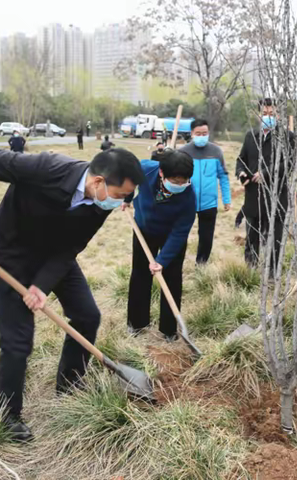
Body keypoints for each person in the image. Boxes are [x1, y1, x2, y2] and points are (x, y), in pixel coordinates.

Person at [0, 148, 144, 441]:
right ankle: (8, 414)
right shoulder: (47, 167)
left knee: (87, 315)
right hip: (10, 255)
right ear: (98, 181)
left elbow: (70, 248)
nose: (122, 203)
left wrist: (41, 285)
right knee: (18, 341)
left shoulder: (97, 204)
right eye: (121, 195)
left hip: (54, 254)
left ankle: (70, 386)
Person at [124, 149, 196, 340]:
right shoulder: (146, 169)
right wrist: (127, 198)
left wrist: (162, 260)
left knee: (171, 278)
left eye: (184, 181)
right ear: (162, 173)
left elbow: (180, 232)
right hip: (143, 229)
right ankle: (137, 324)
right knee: (140, 274)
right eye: (175, 181)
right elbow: (130, 178)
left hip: (171, 235)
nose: (180, 185)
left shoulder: (189, 197)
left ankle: (169, 330)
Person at [236, 98, 295, 270]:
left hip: (276, 195)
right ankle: (251, 268)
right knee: (252, 234)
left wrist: (266, 174)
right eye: (264, 114)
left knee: (274, 237)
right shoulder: (251, 136)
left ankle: (271, 272)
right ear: (258, 114)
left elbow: (289, 164)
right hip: (253, 195)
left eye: (271, 114)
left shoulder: (286, 137)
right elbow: (241, 159)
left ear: (278, 115)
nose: (268, 117)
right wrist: (241, 172)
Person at [180, 119, 231, 264]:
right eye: (198, 133)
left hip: (209, 203)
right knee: (181, 234)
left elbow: (223, 176)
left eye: (205, 133)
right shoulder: (183, 152)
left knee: (206, 237)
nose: (201, 136)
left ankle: (201, 264)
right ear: (192, 134)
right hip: (186, 202)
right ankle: (177, 262)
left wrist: (226, 199)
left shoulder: (216, 151)